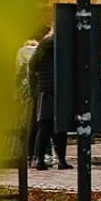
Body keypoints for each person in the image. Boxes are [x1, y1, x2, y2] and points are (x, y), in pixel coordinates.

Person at [28, 28, 70, 170]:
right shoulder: (61, 44)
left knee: (44, 126)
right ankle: (61, 160)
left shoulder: (44, 45)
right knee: (59, 127)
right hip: (58, 89)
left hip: (44, 89)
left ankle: (40, 159)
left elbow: (32, 66)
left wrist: (35, 87)